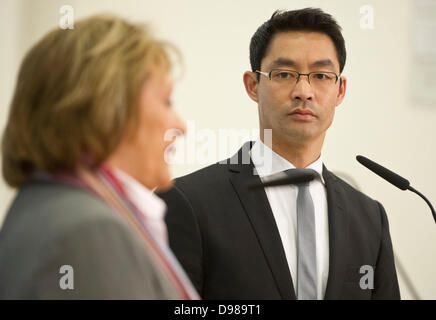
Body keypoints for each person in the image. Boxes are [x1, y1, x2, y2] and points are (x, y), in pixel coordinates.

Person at [159, 8, 401, 299]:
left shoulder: (369, 217)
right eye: (284, 74)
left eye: (322, 75)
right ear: (253, 85)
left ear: (340, 90)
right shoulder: (188, 202)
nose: (303, 91)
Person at [0, 15, 198, 299]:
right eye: (166, 101)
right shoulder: (88, 230)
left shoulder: (49, 207)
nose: (181, 126)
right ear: (109, 109)